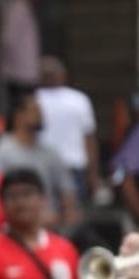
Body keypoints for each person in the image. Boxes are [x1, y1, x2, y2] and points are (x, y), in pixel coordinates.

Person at [0, 88, 78, 228]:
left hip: (50, 227)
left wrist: (68, 219)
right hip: (13, 227)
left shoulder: (51, 153)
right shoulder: (2, 150)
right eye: (35, 110)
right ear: (19, 115)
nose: (41, 115)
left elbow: (67, 194)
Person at [37, 56, 101, 206]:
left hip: (47, 168)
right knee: (71, 219)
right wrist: (93, 178)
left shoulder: (34, 100)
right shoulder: (79, 100)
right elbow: (89, 141)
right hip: (71, 168)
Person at [0, 0, 43, 91]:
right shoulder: (16, 7)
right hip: (18, 72)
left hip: (24, 71)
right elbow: (7, 38)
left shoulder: (23, 5)